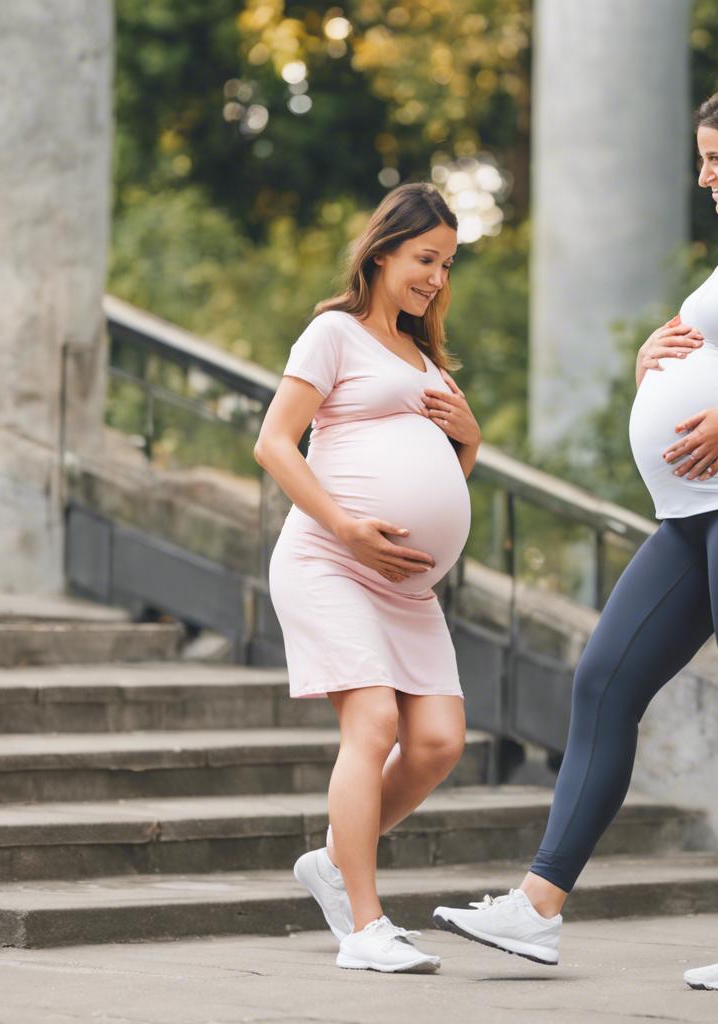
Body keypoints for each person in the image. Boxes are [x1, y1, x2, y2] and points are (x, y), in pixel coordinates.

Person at [433, 88, 718, 991]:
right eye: (701, 159)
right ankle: (538, 909)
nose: (703, 176)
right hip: (695, 513)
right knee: (604, 679)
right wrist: (650, 368)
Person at [254, 182, 482, 973]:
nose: (436, 277)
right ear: (384, 250)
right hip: (331, 560)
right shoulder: (334, 333)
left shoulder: (425, 357)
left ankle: (331, 859)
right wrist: (348, 525)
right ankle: (364, 924)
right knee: (375, 723)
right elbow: (275, 444)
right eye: (426, 258)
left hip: (407, 588)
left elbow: (445, 477)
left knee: (439, 742)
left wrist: (470, 439)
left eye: (447, 265)